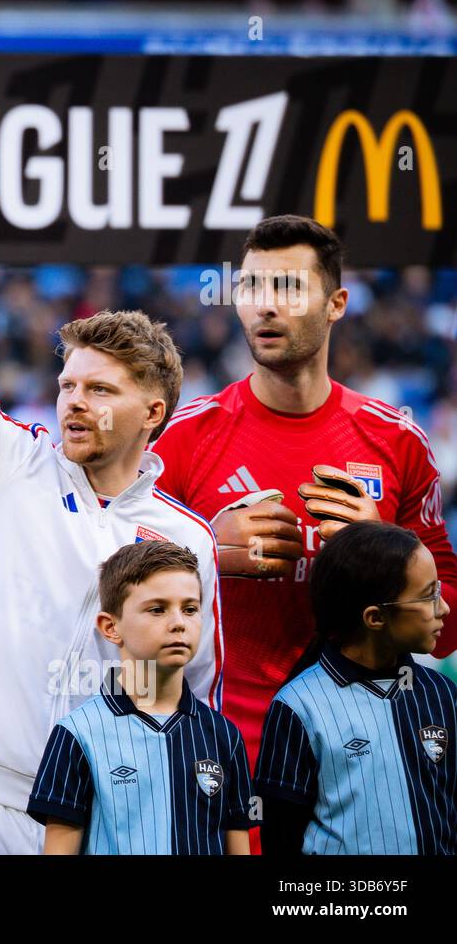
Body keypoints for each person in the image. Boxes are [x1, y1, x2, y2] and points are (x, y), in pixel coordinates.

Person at [0, 113, 222, 854]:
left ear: (154, 410)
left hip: (116, 817)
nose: (73, 401)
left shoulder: (187, 539)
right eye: (67, 384)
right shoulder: (5, 460)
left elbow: (194, 702)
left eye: (99, 389)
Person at [151, 215, 457, 809]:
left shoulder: (396, 441)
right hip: (224, 768)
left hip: (369, 774)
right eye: (252, 287)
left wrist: (390, 557)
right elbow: (112, 603)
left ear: (336, 302)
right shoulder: (184, 441)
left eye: (289, 287)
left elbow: (448, 626)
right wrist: (206, 551)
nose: (266, 306)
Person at [28, 540, 254, 855]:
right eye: (157, 609)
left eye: (190, 609)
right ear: (110, 627)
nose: (178, 623)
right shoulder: (78, 734)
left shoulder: (223, 735)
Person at [254, 522, 457, 855]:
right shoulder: (298, 707)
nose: (444, 607)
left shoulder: (442, 694)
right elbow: (279, 834)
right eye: (429, 594)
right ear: (375, 618)